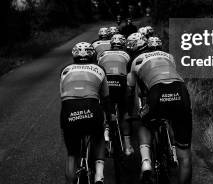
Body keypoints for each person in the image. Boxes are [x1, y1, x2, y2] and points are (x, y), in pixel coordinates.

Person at [126, 36, 192, 184]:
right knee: (185, 155)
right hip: (181, 92)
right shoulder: (169, 56)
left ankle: (146, 162)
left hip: (157, 93)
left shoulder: (135, 61)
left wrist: (130, 112)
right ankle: (175, 150)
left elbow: (131, 92)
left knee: (143, 122)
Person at [60, 42, 111, 184]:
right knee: (98, 136)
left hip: (69, 110)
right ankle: (99, 176)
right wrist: (109, 116)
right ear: (92, 54)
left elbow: (62, 96)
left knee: (71, 154)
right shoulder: (99, 69)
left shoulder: (65, 70)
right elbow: (106, 98)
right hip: (92, 109)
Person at [97, 33, 135, 156]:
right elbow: (130, 75)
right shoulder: (127, 54)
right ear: (123, 44)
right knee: (124, 113)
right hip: (120, 81)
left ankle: (106, 130)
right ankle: (128, 146)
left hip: (107, 81)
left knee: (106, 108)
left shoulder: (102, 54)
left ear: (111, 44)